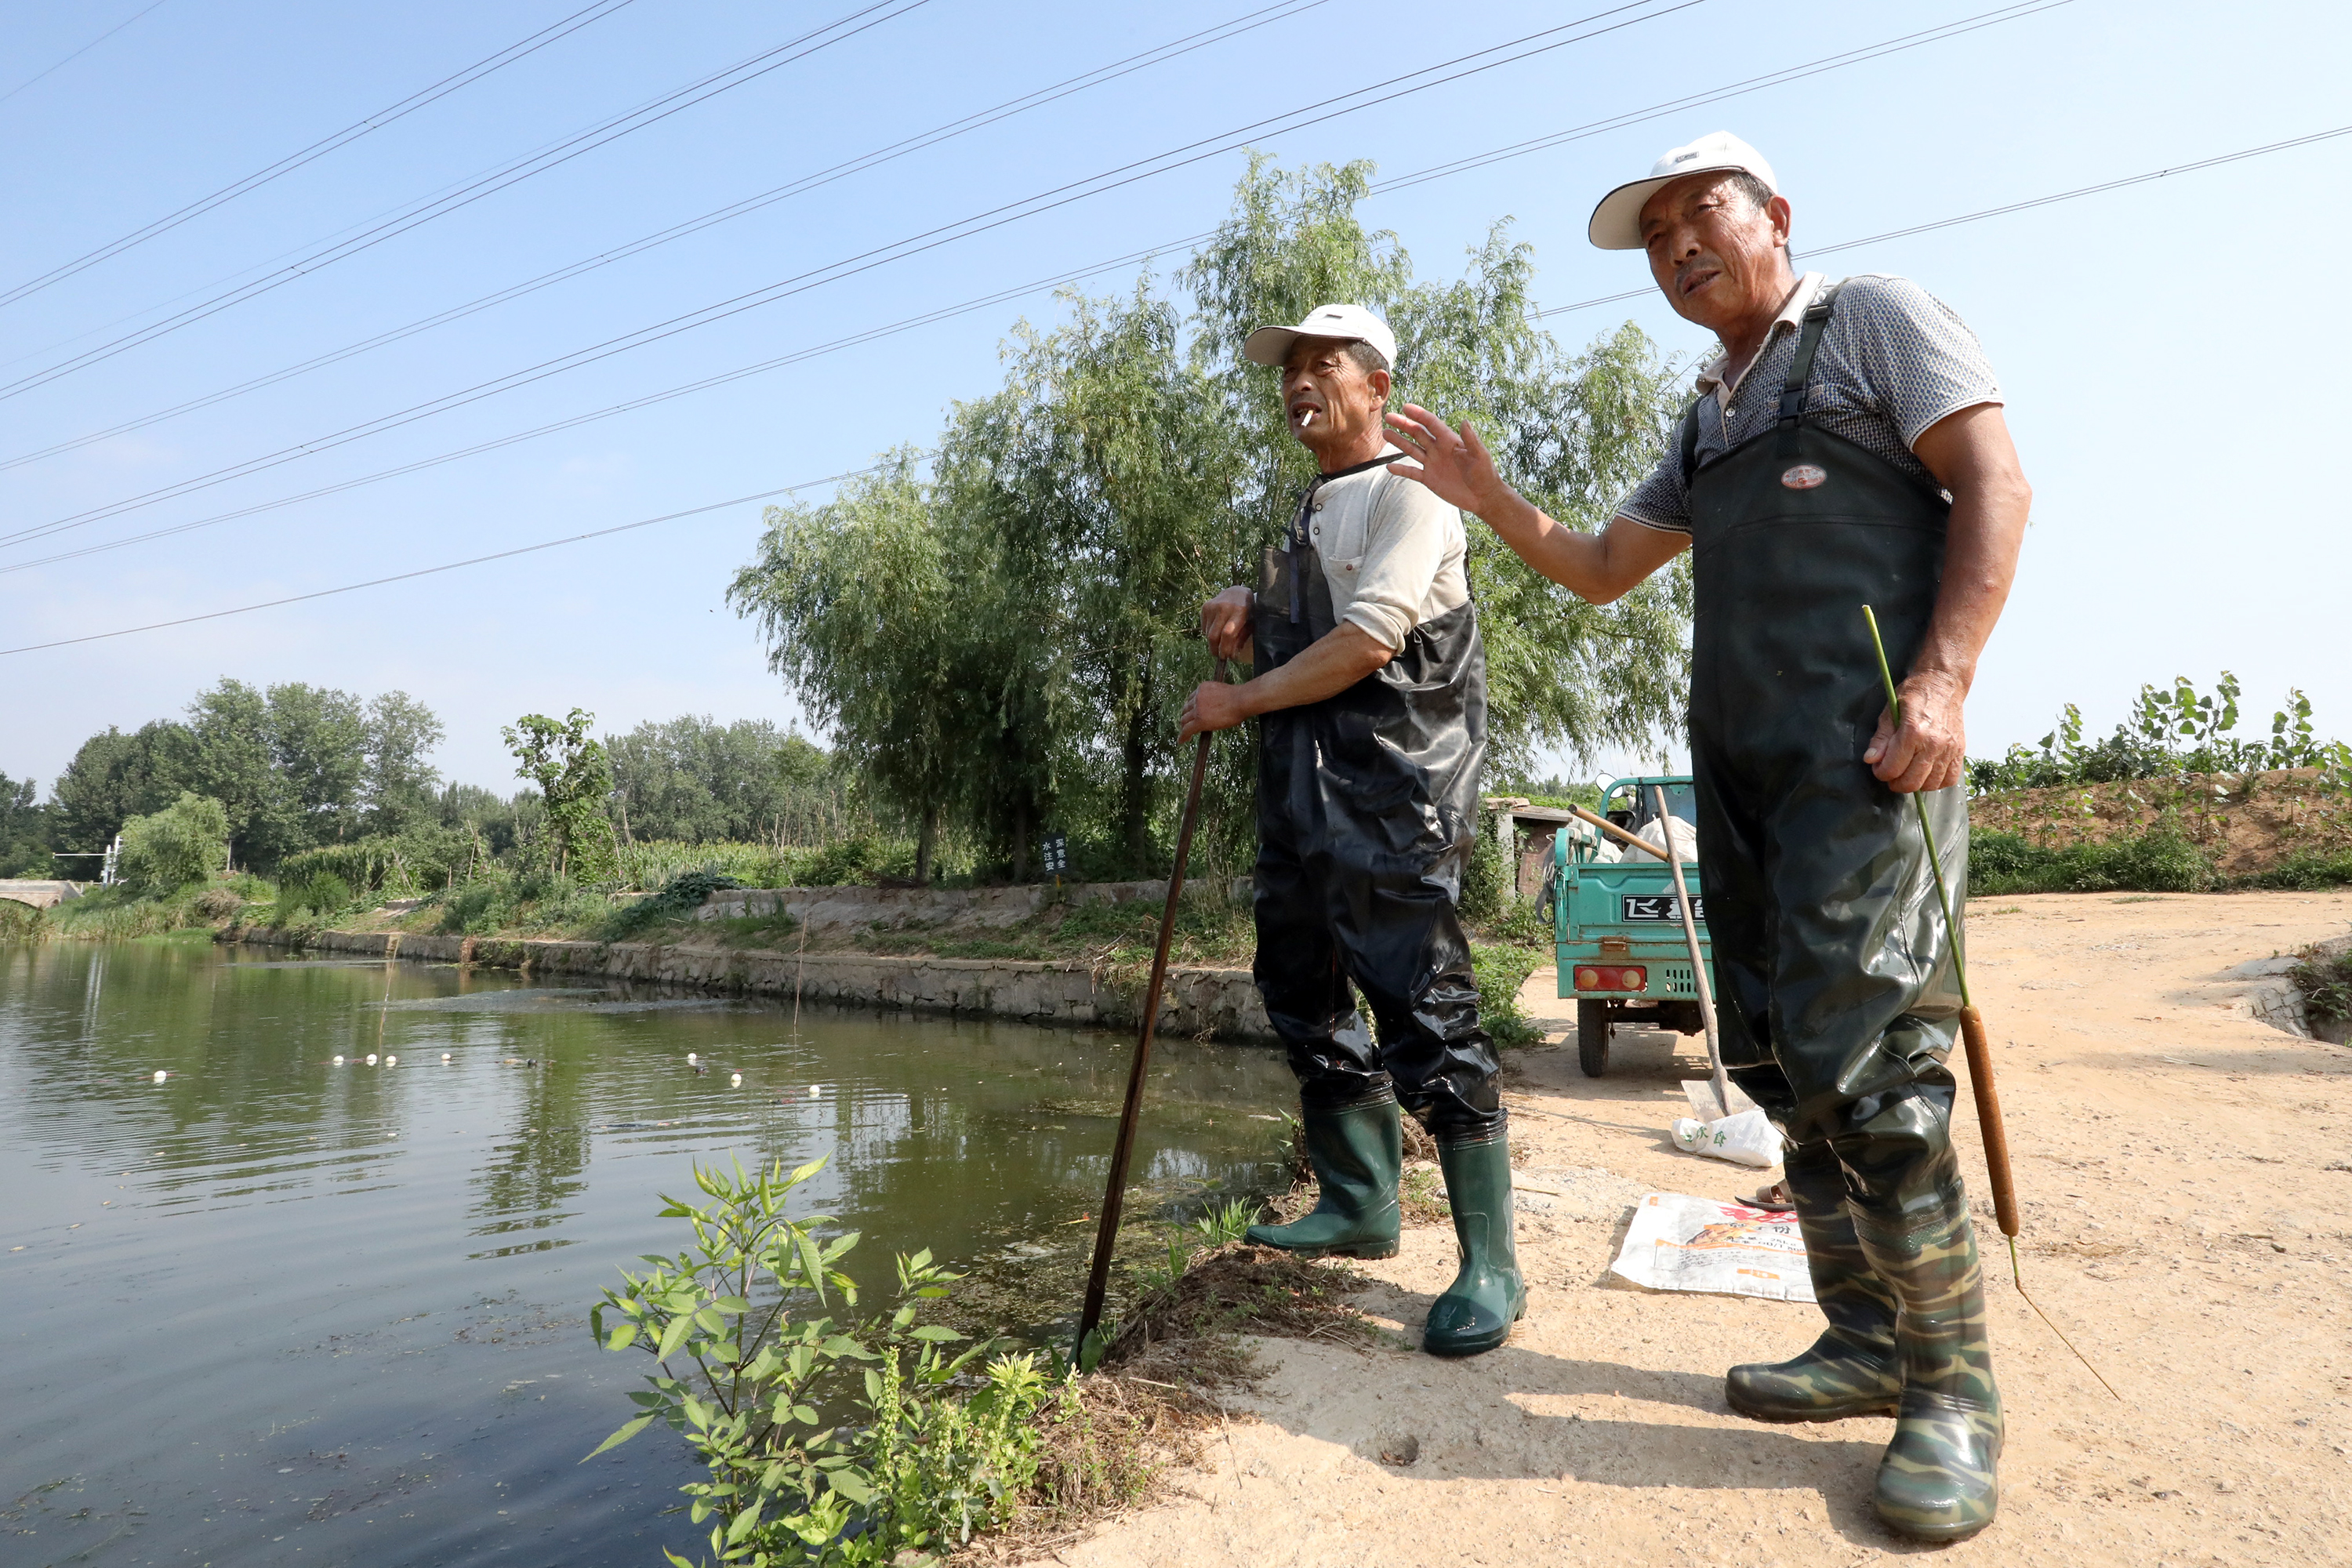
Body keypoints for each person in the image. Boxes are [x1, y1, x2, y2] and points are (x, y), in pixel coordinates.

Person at [1381, 132, 2030, 1540]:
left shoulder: (1870, 324)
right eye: (1656, 233)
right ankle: (1860, 1342)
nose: (1679, 246)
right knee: (1783, 1064)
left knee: (1878, 1074)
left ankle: (1953, 1389)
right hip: (1736, 778)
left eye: (1702, 213)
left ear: (1775, 214)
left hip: (1870, 763)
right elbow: (1609, 570)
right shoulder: (1712, 411)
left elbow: (1996, 481)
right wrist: (1489, 496)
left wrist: (1943, 682)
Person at [1177, 303, 1522, 1358]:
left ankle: (1491, 1265)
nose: (1300, 381)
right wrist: (1250, 596)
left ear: (1378, 387)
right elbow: (1312, 616)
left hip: (1393, 799)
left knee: (1426, 1010)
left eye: (1325, 363)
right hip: (1302, 805)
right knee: (1301, 993)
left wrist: (1236, 699)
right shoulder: (1315, 506)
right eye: (1290, 368)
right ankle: (1361, 1202)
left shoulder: (1412, 498)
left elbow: (1368, 640)